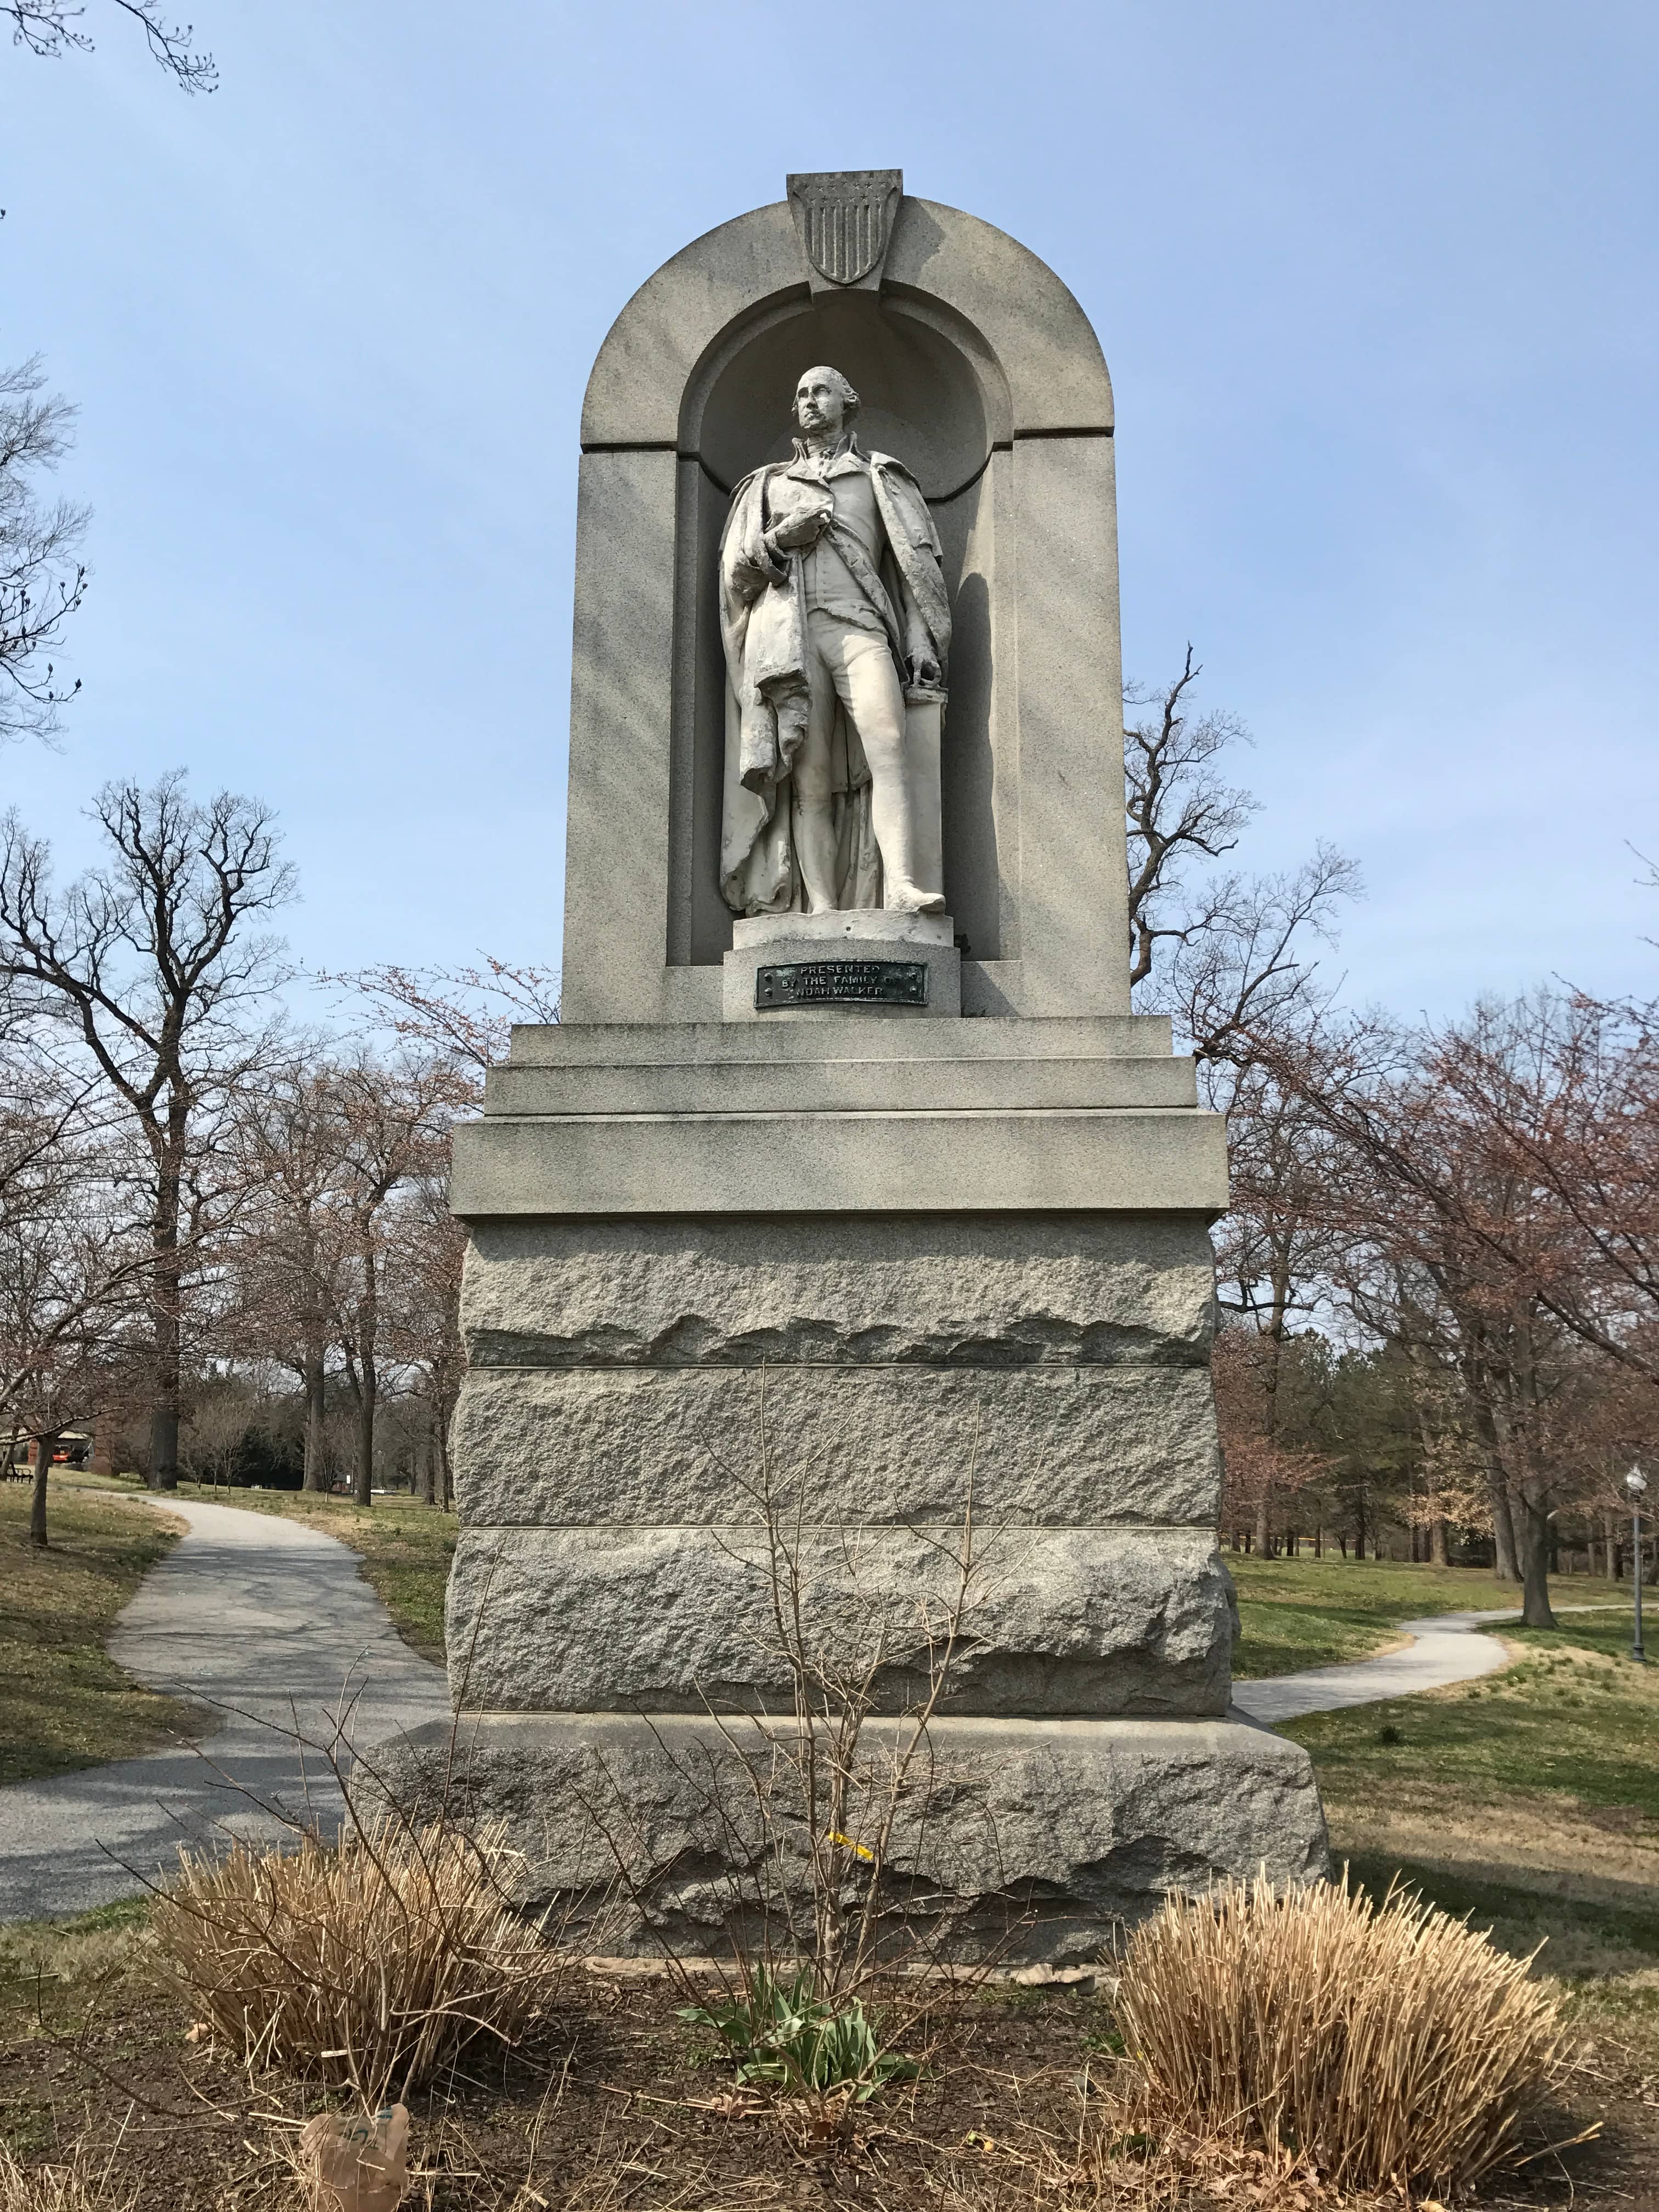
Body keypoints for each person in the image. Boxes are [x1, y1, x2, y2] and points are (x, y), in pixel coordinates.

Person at [718, 365, 950, 916]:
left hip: (860, 628)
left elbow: (912, 573)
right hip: (789, 642)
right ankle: (819, 908)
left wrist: (919, 640)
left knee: (890, 744)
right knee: (811, 778)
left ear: (848, 400)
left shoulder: (880, 477)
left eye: (820, 390)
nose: (809, 401)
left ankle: (899, 885)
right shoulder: (767, 485)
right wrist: (781, 538)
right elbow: (735, 579)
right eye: (800, 394)